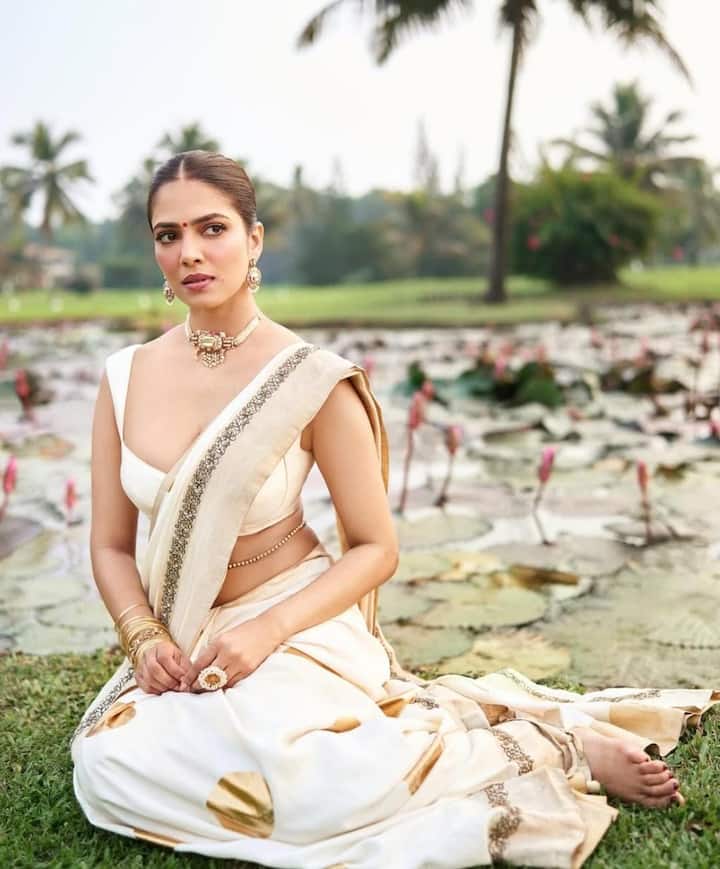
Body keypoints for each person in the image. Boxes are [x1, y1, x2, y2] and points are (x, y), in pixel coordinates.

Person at [72, 150, 717, 869]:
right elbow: (108, 545)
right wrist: (141, 637)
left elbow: (376, 547)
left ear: (254, 240)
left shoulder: (310, 378)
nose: (189, 251)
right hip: (187, 635)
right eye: (168, 235)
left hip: (293, 620)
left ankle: (560, 744)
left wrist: (267, 630)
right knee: (108, 764)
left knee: (315, 778)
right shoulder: (124, 377)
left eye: (211, 228)